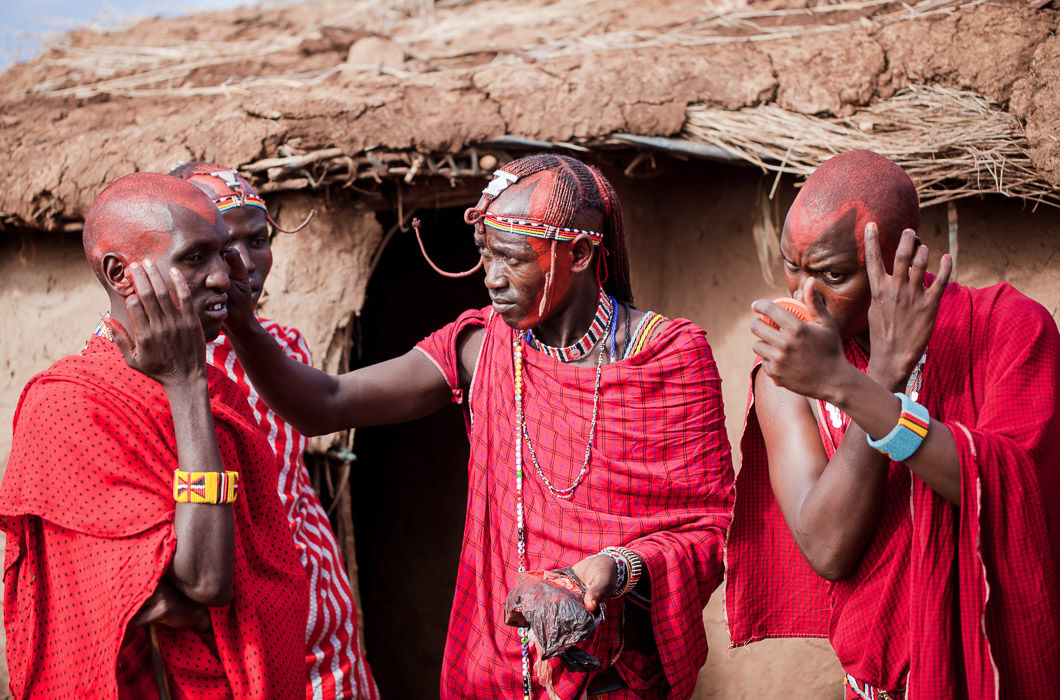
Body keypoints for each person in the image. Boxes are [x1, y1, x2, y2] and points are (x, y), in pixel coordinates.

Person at [219, 154, 735, 699]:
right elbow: (325, 402)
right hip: (493, 671)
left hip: (614, 679)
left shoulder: (668, 356)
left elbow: (710, 529)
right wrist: (241, 321)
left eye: (511, 259)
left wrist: (613, 567)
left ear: (580, 253)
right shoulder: (481, 346)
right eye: (484, 255)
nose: (491, 279)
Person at [725, 150, 1060, 698]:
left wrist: (854, 387)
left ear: (899, 259)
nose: (804, 296)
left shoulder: (1008, 328)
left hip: (993, 674)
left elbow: (1008, 487)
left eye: (834, 274)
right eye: (791, 265)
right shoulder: (785, 378)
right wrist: (880, 374)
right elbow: (828, 549)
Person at [0, 172, 309, 698]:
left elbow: (229, 583)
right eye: (194, 258)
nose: (221, 278)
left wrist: (198, 593)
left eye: (222, 255)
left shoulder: (220, 390)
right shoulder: (68, 406)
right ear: (121, 274)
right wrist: (186, 384)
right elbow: (210, 583)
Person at [170, 161, 380, 700]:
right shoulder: (166, 371)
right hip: (237, 627)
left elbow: (292, 481)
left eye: (257, 238)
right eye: (218, 244)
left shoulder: (285, 350)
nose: (243, 261)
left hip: (324, 608)